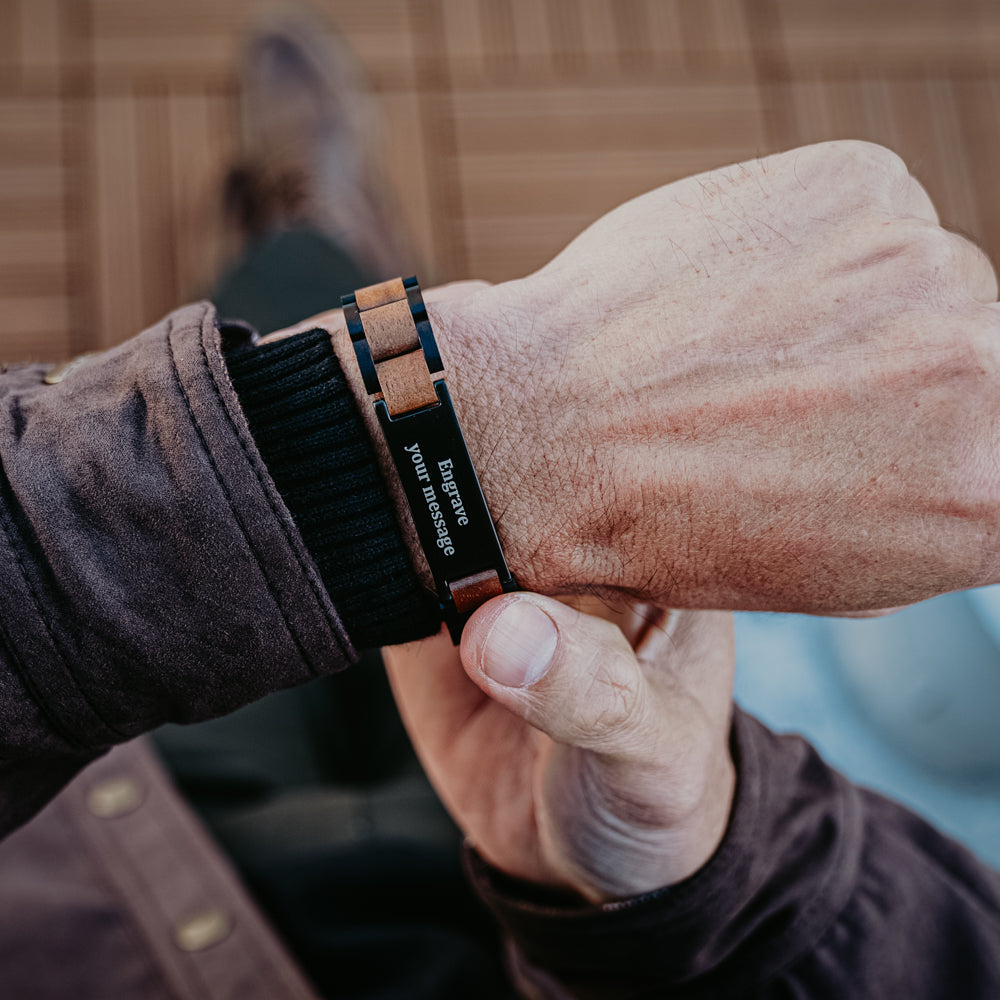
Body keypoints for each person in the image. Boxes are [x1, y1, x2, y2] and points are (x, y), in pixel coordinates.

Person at [2, 12, 1000, 998]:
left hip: (97, 822)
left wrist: (437, 425)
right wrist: (690, 892)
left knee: (274, 325)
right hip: (531, 883)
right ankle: (337, 242)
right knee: (322, 333)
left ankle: (309, 237)